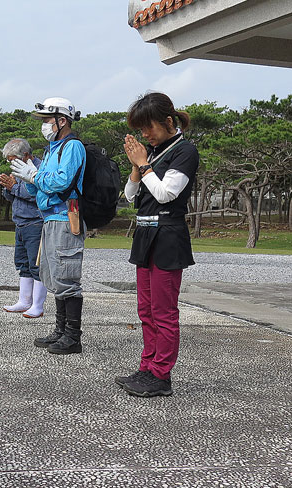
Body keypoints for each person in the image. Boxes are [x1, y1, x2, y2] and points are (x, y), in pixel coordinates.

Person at [117, 91, 199, 398]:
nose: (145, 135)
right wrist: (137, 166)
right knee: (146, 309)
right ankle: (147, 367)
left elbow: (166, 194)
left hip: (168, 235)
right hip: (145, 234)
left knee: (164, 311)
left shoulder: (185, 151)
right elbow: (130, 195)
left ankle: (161, 375)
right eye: (141, 130)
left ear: (168, 121)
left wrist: (144, 164)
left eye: (149, 127)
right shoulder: (152, 153)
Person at [10, 97, 86, 355]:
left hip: (66, 217)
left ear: (61, 121)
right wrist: (29, 178)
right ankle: (60, 330)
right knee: (54, 276)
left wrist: (35, 175)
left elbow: (62, 182)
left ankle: (72, 337)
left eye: (46, 120)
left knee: (67, 277)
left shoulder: (72, 146)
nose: (43, 125)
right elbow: (41, 185)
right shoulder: (52, 149)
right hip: (50, 218)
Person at [0, 138, 46, 318]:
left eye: (13, 159)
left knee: (36, 264)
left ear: (26, 155)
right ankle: (24, 301)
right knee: (23, 264)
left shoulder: (40, 168)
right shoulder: (19, 170)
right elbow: (15, 197)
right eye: (9, 160)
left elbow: (39, 194)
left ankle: (37, 305)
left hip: (35, 222)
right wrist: (8, 187)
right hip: (20, 222)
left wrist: (15, 188)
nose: (11, 163)